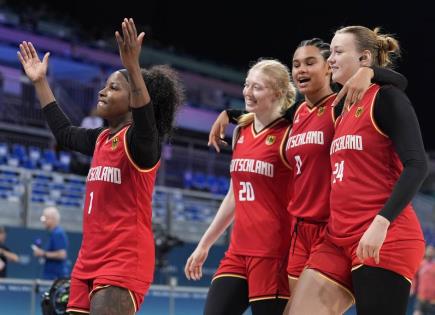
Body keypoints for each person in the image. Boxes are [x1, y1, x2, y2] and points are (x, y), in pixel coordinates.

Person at [209, 39, 407, 314]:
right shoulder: (298, 114)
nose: (301, 69)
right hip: (300, 231)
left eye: (310, 62)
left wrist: (370, 71)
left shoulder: (341, 105)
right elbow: (266, 113)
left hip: (333, 226)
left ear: (329, 68)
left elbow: (395, 88)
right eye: (296, 64)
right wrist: (230, 115)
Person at [18, 17, 184, 315]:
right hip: (88, 258)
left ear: (132, 97)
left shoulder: (142, 143)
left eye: (113, 88)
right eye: (105, 87)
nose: (102, 92)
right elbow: (64, 134)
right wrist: (41, 82)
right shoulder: (101, 139)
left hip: (124, 257)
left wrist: (133, 67)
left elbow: (145, 120)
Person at [288, 26, 428, 315]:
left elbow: (417, 165)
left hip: (384, 236)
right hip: (337, 237)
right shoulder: (341, 109)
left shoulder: (387, 98)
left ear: (364, 58)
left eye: (339, 52)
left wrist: (382, 222)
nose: (331, 60)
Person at [185, 59, 295, 315]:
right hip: (237, 251)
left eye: (257, 87)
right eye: (247, 85)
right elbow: (235, 193)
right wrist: (205, 244)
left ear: (277, 92)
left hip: (273, 254)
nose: (247, 91)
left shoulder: (290, 134)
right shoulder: (241, 130)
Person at [32, 206, 69, 280]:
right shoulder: (52, 233)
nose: (43, 221)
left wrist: (42, 253)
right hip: (50, 276)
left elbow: (62, 254)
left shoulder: (58, 233)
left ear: (52, 219)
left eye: (45, 218)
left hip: (56, 277)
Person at [413, 244, 435, 315]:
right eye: (428, 250)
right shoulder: (421, 263)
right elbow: (415, 277)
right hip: (421, 297)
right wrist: (413, 287)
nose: (430, 252)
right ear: (425, 251)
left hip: (432, 300)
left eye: (431, 251)